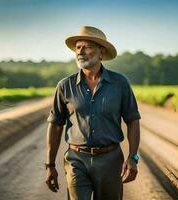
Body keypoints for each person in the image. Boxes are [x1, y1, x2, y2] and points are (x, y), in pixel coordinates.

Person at [45, 26, 141, 200]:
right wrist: (50, 165)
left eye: (87, 46)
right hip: (76, 159)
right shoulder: (65, 86)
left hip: (110, 160)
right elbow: (56, 124)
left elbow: (133, 120)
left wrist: (133, 157)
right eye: (78, 47)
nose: (80, 51)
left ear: (101, 53)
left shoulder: (120, 83)